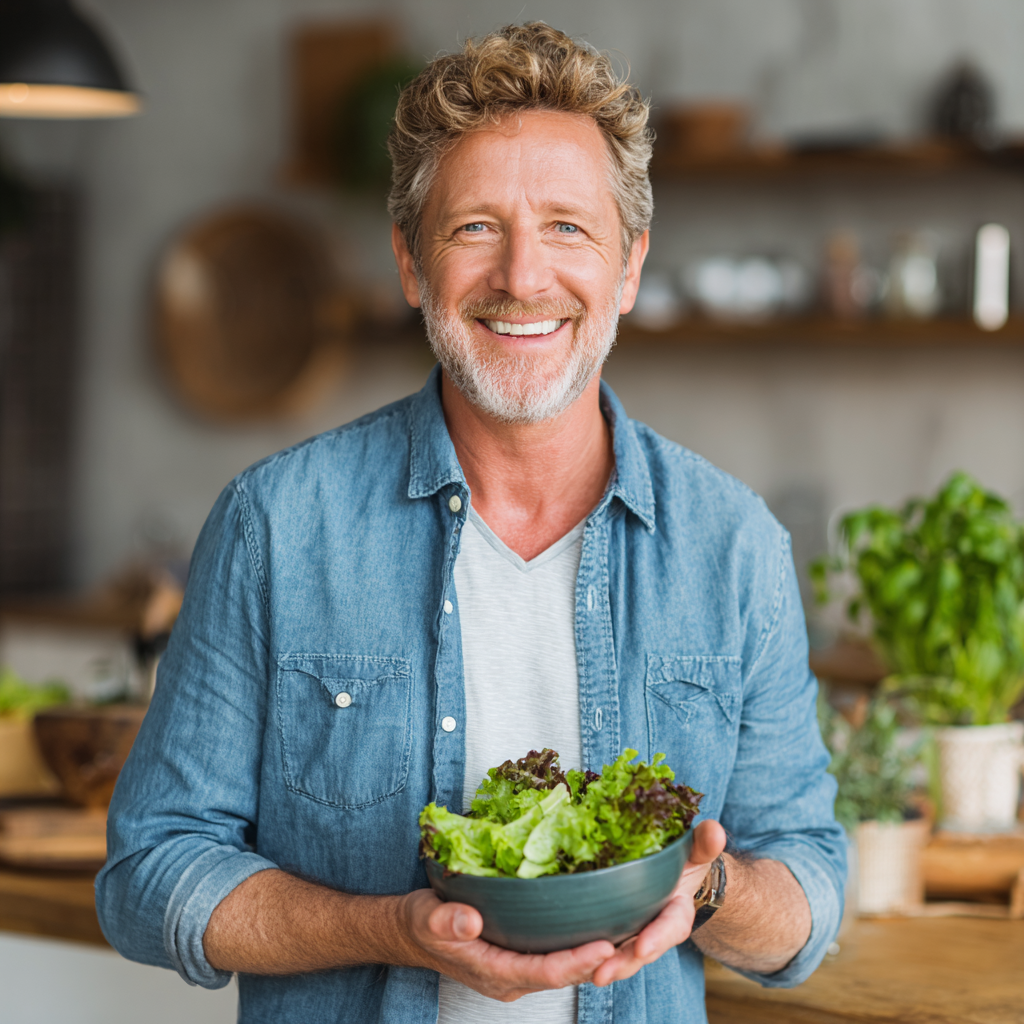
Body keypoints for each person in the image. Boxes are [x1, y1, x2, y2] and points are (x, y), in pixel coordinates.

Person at [97, 23, 845, 1024]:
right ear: (411, 265)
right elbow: (149, 874)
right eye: (475, 228)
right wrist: (388, 928)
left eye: (568, 228)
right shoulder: (278, 525)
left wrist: (704, 891)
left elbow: (806, 896)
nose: (523, 276)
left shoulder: (732, 544)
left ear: (628, 268)